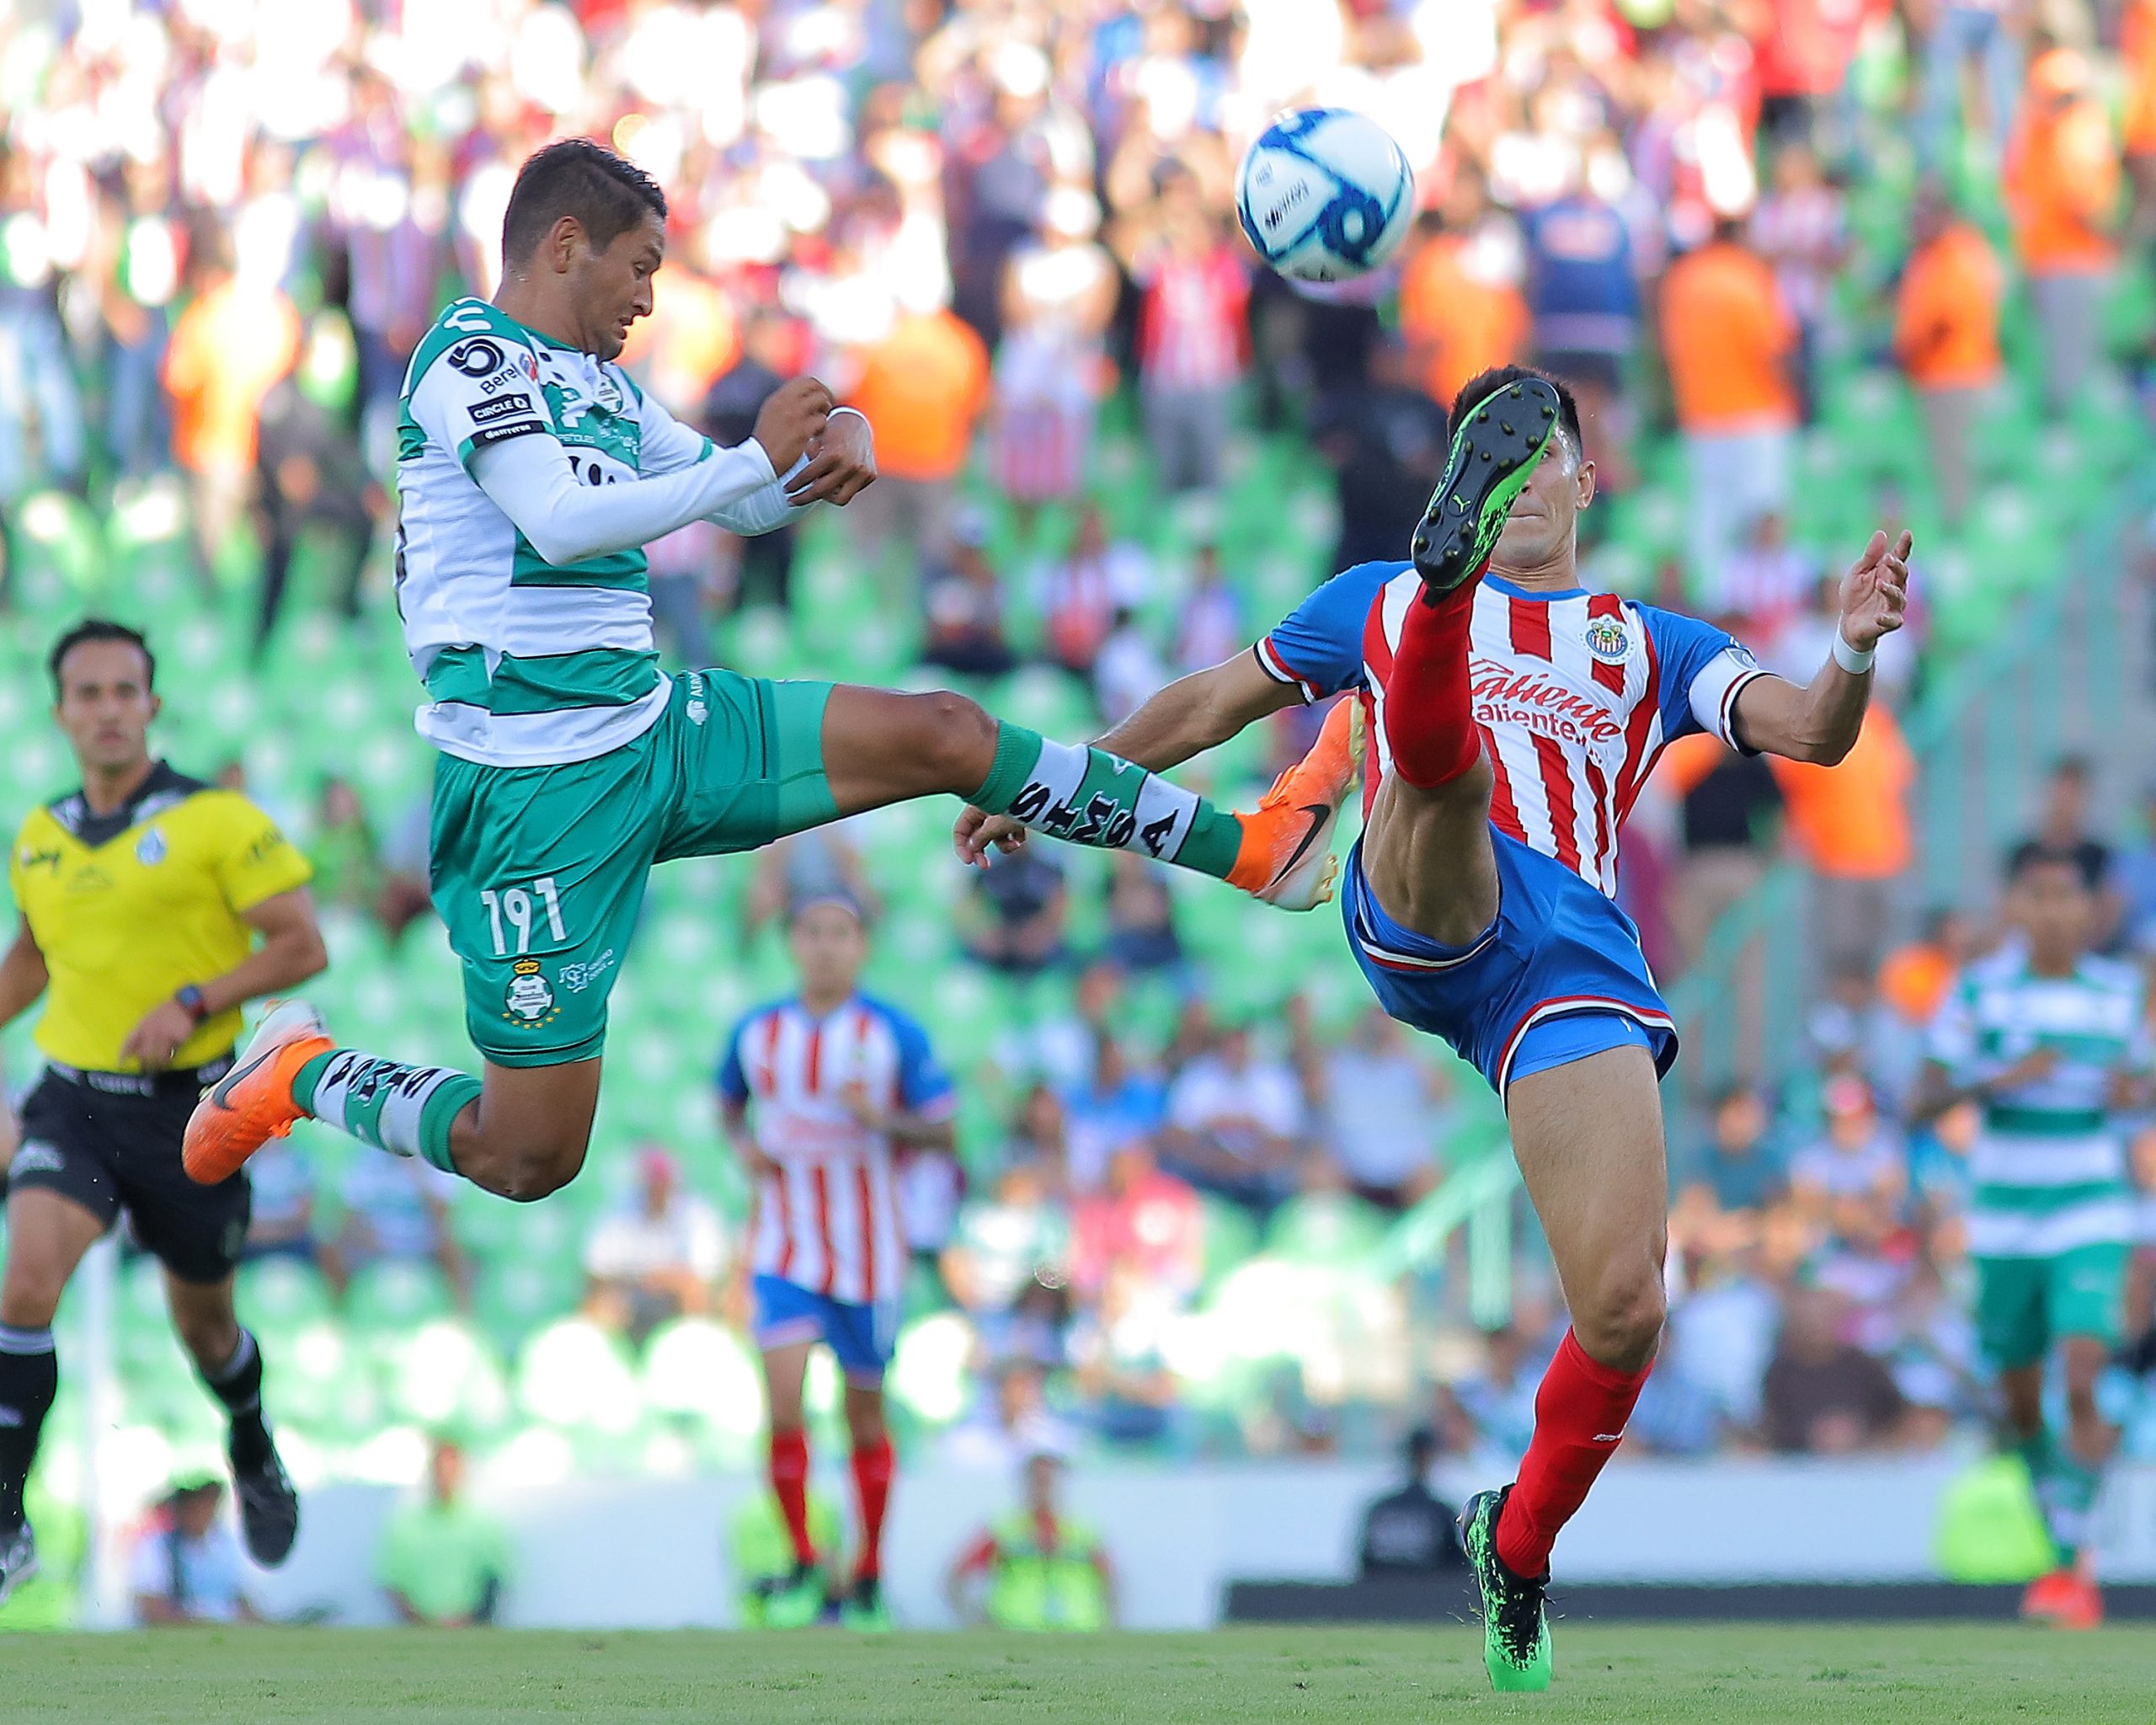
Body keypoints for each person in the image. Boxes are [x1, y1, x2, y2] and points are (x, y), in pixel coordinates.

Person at [959, 365, 1911, 1691]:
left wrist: (1855, 644)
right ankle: (1428, 666)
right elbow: (1204, 703)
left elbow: (1811, 733)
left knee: (1630, 1307)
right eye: (1488, 464)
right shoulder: (1375, 598)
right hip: (1422, 888)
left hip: (1567, 965)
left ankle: (1514, 1553)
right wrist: (1052, 782)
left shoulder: (1655, 643)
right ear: (1459, 495)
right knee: (1444, 782)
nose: (1522, 483)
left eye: (1537, 459)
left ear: (1588, 478)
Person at [181, 140, 1344, 1222]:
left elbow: (728, 495)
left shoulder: (608, 389)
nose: (648, 300)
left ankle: (1246, 849)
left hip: (659, 727)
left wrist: (821, 450)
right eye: (638, 271)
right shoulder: (469, 357)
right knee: (529, 1156)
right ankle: (303, 1074)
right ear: (564, 243)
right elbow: (562, 518)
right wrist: (751, 461)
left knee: (946, 730)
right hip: (531, 797)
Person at [0, 620, 325, 1606]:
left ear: (153, 705)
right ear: (61, 712)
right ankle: (8, 1516)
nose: (106, 709)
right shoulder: (42, 834)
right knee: (23, 1284)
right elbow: (37, 956)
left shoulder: (217, 819)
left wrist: (191, 1000)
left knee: (205, 1327)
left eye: (123, 691)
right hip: (75, 1099)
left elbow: (300, 946)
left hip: (195, 1110)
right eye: (87, 693)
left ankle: (251, 1439)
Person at [1911, 848, 2152, 1628]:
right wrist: (1999, 1081)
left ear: (2090, 910)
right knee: (2019, 1399)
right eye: (2037, 896)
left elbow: (2143, 1086)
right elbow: (1919, 1098)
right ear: (2015, 906)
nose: (2052, 910)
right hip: (2004, 1211)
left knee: (2083, 1368)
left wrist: (2131, 1091)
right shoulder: (1979, 989)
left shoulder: (2121, 995)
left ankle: (2073, 1556)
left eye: (2065, 897)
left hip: (2089, 1202)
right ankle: (2064, 1543)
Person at [718, 893, 954, 1632]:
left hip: (869, 1253)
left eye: (840, 935)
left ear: (862, 947)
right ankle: (802, 1560)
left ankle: (871, 1569)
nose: (825, 948)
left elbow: (945, 1133)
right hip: (786, 1247)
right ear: (792, 944)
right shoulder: (758, 1033)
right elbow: (728, 1103)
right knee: (783, 1405)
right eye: (812, 934)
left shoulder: (891, 1034)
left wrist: (880, 1119)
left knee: (863, 1419)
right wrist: (744, 1149)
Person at [1657, 220, 1801, 601]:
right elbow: (1772, 348)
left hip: (1701, 414)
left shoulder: (1682, 279)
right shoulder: (1748, 275)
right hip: (1756, 410)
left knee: (1711, 517)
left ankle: (1713, 601)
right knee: (1764, 511)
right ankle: (1765, 603)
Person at [1894, 183, 2004, 530]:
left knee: (1955, 460)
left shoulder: (1958, 251)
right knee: (1941, 460)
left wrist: (1910, 349)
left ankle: (1963, 535)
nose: (1916, 222)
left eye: (1923, 214)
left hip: (1956, 372)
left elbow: (1948, 319)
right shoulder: (1927, 254)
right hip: (1935, 373)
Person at [945, 1445, 1117, 1632]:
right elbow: (955, 1577)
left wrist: (1109, 1624)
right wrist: (975, 1622)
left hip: (1080, 1634)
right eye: (1037, 1481)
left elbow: (1112, 1582)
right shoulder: (1003, 1530)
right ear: (1025, 1483)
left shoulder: (1084, 1532)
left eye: (1048, 1480)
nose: (1043, 1487)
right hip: (1012, 1633)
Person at [581, 1146, 728, 1343]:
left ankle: (695, 1351)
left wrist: (657, 1279)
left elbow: (705, 1277)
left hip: (675, 1300)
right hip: (633, 1297)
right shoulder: (619, 1213)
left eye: (662, 1180)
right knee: (602, 1302)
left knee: (696, 1297)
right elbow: (597, 1272)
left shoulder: (696, 1214)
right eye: (652, 1180)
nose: (656, 1187)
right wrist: (648, 1279)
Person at [375, 1436, 513, 1626]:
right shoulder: (407, 1527)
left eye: (451, 1469)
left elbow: (496, 1578)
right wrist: (420, 1620)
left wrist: (470, 1619)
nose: (445, 1477)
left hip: (471, 1629)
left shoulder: (481, 1525)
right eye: (440, 1470)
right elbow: (393, 1583)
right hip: (418, 1630)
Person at [130, 1477, 257, 1626]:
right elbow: (149, 1607)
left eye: (209, 1503)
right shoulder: (155, 1547)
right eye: (196, 1503)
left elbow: (239, 1598)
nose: (202, 1510)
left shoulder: (226, 1545)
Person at [1357, 1426, 1467, 1578]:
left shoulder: (1379, 1510)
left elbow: (1364, 1567)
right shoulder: (1440, 1512)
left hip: (1382, 1597)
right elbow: (1458, 1570)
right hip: (1428, 1597)